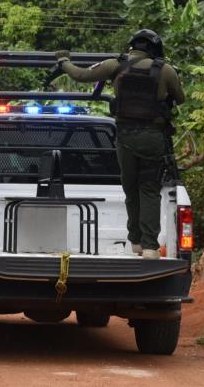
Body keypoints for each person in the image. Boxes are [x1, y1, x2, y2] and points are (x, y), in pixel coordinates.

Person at [54, 29, 185, 260]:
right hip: (153, 137)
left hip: (125, 137)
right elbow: (180, 97)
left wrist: (63, 61)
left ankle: (134, 240)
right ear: (154, 49)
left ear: (132, 46)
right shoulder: (165, 70)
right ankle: (150, 247)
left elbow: (81, 75)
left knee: (130, 188)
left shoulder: (115, 65)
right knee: (149, 190)